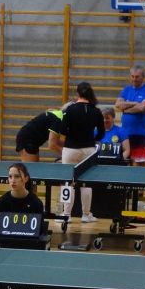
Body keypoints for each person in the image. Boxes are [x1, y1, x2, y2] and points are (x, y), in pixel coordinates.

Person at [58, 82, 105, 223]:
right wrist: (91, 139)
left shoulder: (69, 109)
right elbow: (101, 133)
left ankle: (66, 215)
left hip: (70, 149)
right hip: (89, 150)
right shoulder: (96, 111)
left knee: (68, 182)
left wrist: (72, 136)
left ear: (77, 93)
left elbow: (62, 130)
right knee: (86, 183)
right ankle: (86, 215)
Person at [115, 65, 145, 167]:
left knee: (140, 164)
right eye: (132, 76)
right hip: (125, 134)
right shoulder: (126, 89)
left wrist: (126, 109)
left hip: (140, 134)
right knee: (125, 162)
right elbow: (118, 104)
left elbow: (142, 108)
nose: (134, 79)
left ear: (143, 77)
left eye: (137, 77)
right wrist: (134, 103)